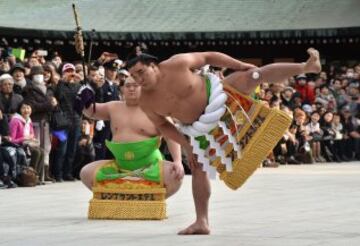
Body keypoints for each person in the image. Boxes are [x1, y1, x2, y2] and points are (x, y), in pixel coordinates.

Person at [124, 48, 321, 234]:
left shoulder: (177, 63)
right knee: (198, 167)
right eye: (134, 76)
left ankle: (306, 67)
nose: (139, 79)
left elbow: (209, 56)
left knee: (253, 74)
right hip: (199, 129)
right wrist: (186, 146)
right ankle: (202, 221)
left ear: (153, 65)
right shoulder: (146, 101)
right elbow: (163, 126)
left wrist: (240, 65)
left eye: (141, 72)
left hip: (221, 96)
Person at [78, 77, 184, 198]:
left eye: (135, 85)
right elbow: (91, 111)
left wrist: (177, 161)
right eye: (128, 86)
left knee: (175, 175)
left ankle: (151, 199)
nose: (131, 89)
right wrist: (85, 98)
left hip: (150, 166)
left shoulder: (156, 111)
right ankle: (117, 198)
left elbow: (171, 137)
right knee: (86, 173)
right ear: (122, 89)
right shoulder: (113, 107)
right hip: (119, 166)